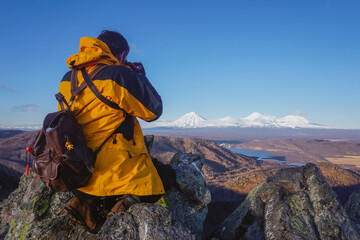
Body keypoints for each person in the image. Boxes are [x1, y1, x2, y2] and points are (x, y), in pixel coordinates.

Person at [59, 30, 165, 232]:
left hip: (77, 164)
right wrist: (138, 76)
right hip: (111, 168)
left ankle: (82, 202)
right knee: (164, 178)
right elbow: (154, 110)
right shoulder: (118, 75)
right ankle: (120, 211)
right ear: (122, 54)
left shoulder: (68, 77)